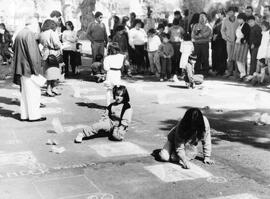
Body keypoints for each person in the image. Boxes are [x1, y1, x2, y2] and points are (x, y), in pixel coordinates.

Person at [13, 16, 46, 122]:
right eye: (36, 25)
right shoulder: (30, 34)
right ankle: (34, 116)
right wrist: (36, 71)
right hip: (29, 68)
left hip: (21, 68)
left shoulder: (20, 33)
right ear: (33, 24)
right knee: (34, 93)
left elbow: (14, 49)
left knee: (25, 94)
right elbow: (32, 55)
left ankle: (25, 115)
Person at [40, 19, 62, 97]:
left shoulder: (42, 33)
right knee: (53, 71)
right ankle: (50, 89)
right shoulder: (52, 33)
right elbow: (56, 43)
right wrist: (59, 46)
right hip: (53, 53)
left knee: (48, 72)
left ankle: (51, 88)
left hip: (45, 53)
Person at [221, 6, 239, 78]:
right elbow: (222, 30)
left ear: (234, 12)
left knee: (237, 57)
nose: (229, 13)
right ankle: (229, 72)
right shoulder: (225, 20)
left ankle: (237, 73)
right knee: (230, 57)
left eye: (231, 12)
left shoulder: (238, 19)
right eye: (228, 12)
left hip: (238, 42)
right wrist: (225, 37)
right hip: (229, 41)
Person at [232, 13, 250, 81]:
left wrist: (243, 40)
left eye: (240, 19)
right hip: (237, 43)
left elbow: (247, 35)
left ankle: (243, 74)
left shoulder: (246, 25)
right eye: (238, 19)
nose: (238, 20)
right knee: (238, 59)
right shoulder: (240, 25)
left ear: (243, 19)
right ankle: (242, 74)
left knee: (241, 60)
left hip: (243, 44)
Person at [251, 21, 270, 85]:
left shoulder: (268, 33)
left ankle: (263, 80)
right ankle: (259, 80)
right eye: (261, 27)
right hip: (261, 52)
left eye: (263, 27)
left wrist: (267, 54)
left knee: (265, 67)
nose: (262, 28)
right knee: (260, 66)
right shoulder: (263, 32)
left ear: (267, 27)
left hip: (266, 53)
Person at [246, 15, 262, 81]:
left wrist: (254, 44)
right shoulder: (251, 27)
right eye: (249, 22)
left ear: (254, 21)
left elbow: (260, 38)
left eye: (251, 21)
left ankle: (251, 74)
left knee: (253, 60)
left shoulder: (257, 28)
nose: (250, 23)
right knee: (252, 60)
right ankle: (251, 74)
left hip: (256, 47)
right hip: (251, 46)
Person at [211, 10, 227, 76]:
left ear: (222, 14)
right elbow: (214, 29)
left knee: (222, 56)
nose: (218, 14)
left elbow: (224, 31)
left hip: (222, 40)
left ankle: (222, 70)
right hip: (216, 41)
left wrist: (218, 35)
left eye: (219, 13)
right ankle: (217, 69)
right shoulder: (217, 20)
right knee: (217, 55)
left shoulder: (225, 21)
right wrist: (214, 36)